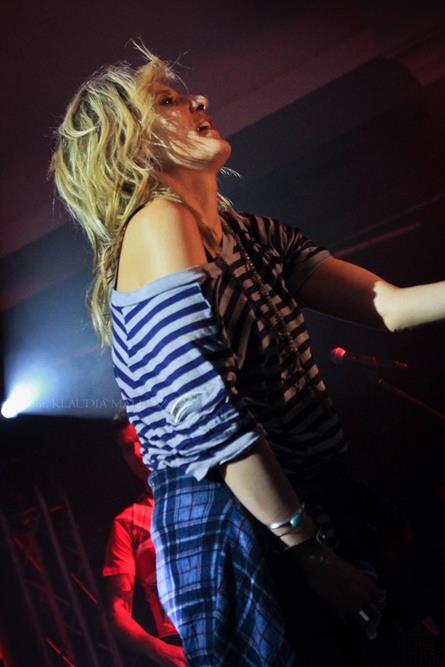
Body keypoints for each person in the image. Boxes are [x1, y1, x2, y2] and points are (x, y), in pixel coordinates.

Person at [50, 43, 445, 666]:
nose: (199, 100)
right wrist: (306, 550)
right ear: (129, 144)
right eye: (168, 100)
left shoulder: (250, 234)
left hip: (297, 501)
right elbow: (206, 413)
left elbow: (387, 306)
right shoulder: (157, 222)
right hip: (240, 515)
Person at [103, 418, 186, 666]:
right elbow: (117, 611)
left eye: (141, 440)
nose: (137, 454)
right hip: (180, 641)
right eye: (127, 449)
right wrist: (160, 651)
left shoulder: (204, 489)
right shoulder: (127, 523)